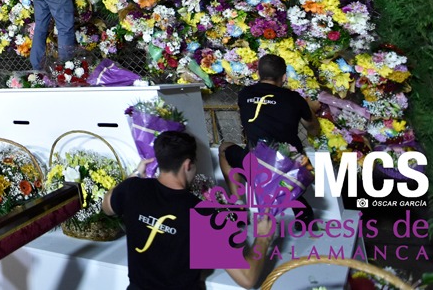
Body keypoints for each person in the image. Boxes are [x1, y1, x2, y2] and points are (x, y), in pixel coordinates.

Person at [103, 130, 274, 289]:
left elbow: (107, 207)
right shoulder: (202, 213)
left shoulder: (132, 188)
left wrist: (135, 174)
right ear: (188, 164)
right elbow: (247, 278)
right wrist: (263, 237)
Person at [219, 53, 321, 217]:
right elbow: (314, 130)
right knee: (286, 163)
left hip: (256, 166)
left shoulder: (245, 94)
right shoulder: (294, 99)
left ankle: (238, 207)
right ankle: (300, 207)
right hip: (289, 168)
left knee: (225, 148)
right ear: (284, 77)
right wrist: (309, 108)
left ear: (258, 73)